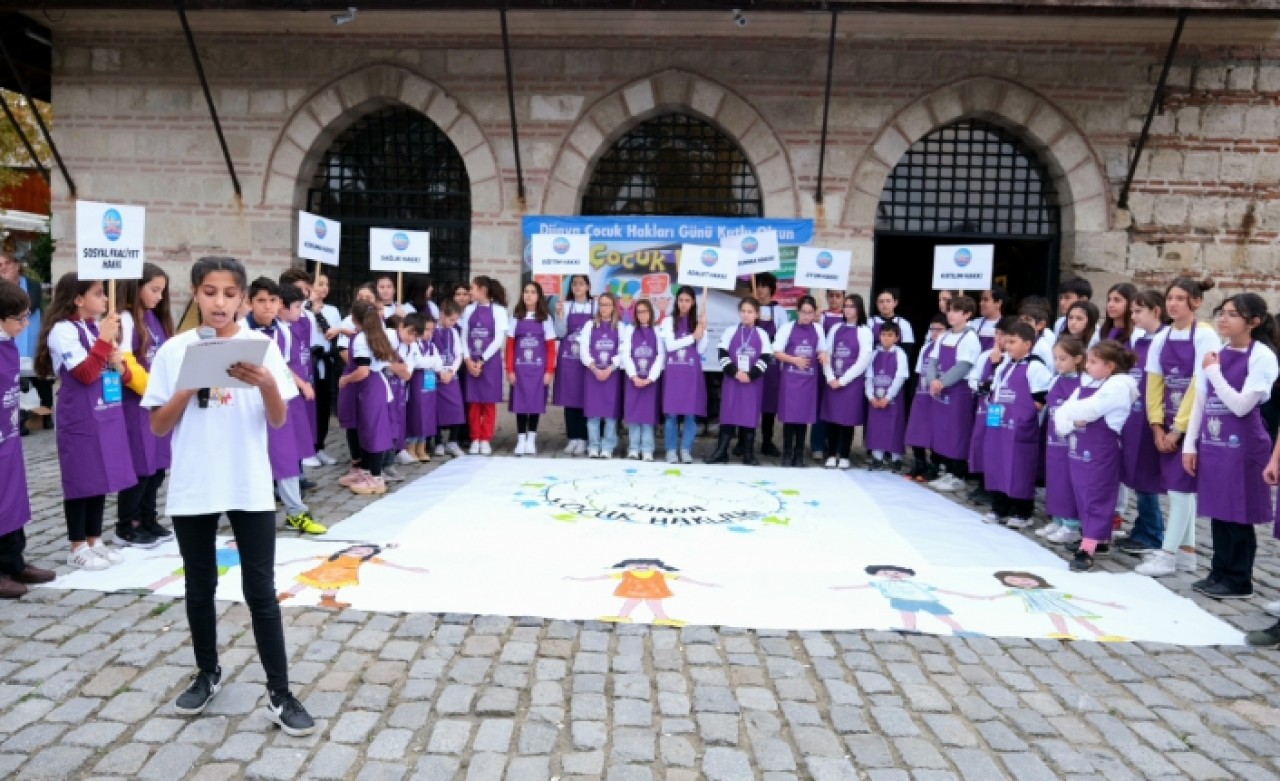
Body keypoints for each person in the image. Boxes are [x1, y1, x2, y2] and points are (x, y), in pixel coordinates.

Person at [142, 255, 315, 735]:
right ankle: (207, 672)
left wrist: (264, 387)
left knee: (260, 590)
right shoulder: (175, 350)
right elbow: (157, 427)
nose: (220, 302)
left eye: (229, 293)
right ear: (196, 294)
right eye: (210, 292)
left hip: (247, 481)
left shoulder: (263, 346)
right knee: (200, 586)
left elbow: (278, 420)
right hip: (195, 482)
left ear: (242, 297)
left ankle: (280, 693)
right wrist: (187, 387)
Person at [1182, 293, 1279, 600]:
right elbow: (1201, 399)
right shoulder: (1218, 351)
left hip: (1243, 446)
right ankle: (1218, 570)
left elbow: (1240, 405)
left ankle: (1239, 578)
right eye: (1222, 313)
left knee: (1239, 512)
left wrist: (1214, 372)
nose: (1223, 319)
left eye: (1233, 314)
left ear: (1253, 322)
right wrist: (1190, 444)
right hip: (1214, 442)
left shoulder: (1261, 356)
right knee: (1218, 510)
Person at [36, 273, 136, 570]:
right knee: (81, 477)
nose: (105, 299)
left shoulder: (93, 328)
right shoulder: (63, 331)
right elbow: (85, 373)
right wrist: (104, 341)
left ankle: (95, 538)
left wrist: (116, 357)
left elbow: (113, 371)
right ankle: (76, 544)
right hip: (80, 414)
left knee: (101, 474)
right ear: (79, 299)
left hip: (103, 409)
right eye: (98, 293)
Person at [1135, 277, 1221, 578]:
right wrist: (1157, 426)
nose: (1173, 303)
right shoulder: (1162, 337)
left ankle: (1168, 554)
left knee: (1179, 489)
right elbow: (1154, 384)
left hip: (1193, 423)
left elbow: (1201, 385)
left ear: (1195, 302)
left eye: (1180, 298)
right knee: (1178, 488)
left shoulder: (1206, 336)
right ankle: (1187, 554)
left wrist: (1179, 429)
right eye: (1170, 298)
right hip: (1167, 422)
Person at [243, 279, 324, 533]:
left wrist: (298, 386)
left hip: (279, 401)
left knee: (285, 455)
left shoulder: (284, 331)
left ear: (279, 303)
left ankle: (295, 511)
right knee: (249, 457)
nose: (267, 306)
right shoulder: (241, 331)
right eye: (261, 301)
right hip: (249, 404)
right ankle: (247, 512)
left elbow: (285, 365)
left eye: (272, 301)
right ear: (249, 302)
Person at [1053, 340, 1139, 572]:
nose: (1087, 366)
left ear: (1109, 366)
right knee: (1082, 493)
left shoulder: (1119, 386)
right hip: (1080, 446)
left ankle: (1087, 548)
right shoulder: (1090, 383)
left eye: (1093, 362)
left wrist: (1074, 414)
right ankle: (1095, 538)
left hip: (1102, 450)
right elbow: (1064, 411)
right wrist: (1070, 419)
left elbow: (1091, 409)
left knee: (1097, 496)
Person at [114, 263, 175, 548]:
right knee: (141, 465)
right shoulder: (126, 320)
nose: (159, 296)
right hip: (138, 404)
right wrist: (153, 389)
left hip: (158, 403)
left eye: (162, 291)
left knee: (158, 464)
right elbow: (126, 362)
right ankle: (129, 523)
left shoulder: (155, 318)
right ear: (136, 288)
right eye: (154, 290)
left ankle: (149, 517)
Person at [0, 281, 56, 597]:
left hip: (7, 436)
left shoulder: (7, 344)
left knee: (12, 499)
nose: (24, 325)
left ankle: (14, 559)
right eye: (19, 319)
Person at [980, 322, 1053, 529]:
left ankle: (1022, 511)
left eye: (1013, 341)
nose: (1008, 345)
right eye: (1006, 341)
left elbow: (1041, 397)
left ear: (1028, 344)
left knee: (1019, 469)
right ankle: (999, 507)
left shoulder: (1035, 367)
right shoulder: (1005, 364)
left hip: (1020, 427)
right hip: (999, 424)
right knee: (998, 465)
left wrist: (1025, 417)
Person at [1116, 290, 1167, 557]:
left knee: (1147, 476)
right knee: (1135, 473)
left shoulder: (1165, 339)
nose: (1133, 316)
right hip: (1134, 414)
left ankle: (1152, 532)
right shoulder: (1139, 339)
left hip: (1152, 415)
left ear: (1156, 311)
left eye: (1138, 311)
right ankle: (1142, 528)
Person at [338, 300, 400, 495]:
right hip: (376, 384)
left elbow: (363, 371)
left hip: (371, 386)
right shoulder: (377, 333)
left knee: (374, 432)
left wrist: (346, 379)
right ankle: (365, 471)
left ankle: (375, 477)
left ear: (355, 318)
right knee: (367, 429)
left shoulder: (361, 339)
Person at [924, 296, 982, 491]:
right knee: (943, 432)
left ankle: (958, 474)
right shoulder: (944, 336)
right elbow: (932, 360)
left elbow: (963, 366)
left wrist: (941, 382)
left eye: (957, 311)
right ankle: (947, 471)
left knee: (958, 432)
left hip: (958, 391)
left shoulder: (970, 338)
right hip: (941, 389)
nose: (951, 314)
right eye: (950, 310)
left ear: (967, 315)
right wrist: (932, 380)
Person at [707, 298, 774, 465]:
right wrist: (735, 372)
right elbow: (722, 355)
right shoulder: (730, 331)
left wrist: (751, 375)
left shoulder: (762, 334)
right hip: (733, 381)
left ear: (756, 314)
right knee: (728, 415)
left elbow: (765, 358)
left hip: (752, 383)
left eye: (749, 312)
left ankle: (748, 454)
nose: (746, 315)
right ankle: (721, 451)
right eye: (743, 311)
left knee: (749, 416)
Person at [1039, 336, 1086, 543]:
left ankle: (1072, 524)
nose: (1058, 363)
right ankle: (1057, 518)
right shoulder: (1056, 379)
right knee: (1055, 477)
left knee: (1069, 480)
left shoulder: (1083, 382)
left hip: (1072, 440)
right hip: (1054, 438)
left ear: (1077, 359)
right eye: (1056, 358)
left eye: (1063, 359)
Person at [773, 295, 827, 468]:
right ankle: (787, 453)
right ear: (797, 312)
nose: (806, 316)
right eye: (803, 312)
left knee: (803, 418)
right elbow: (776, 352)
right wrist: (795, 360)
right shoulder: (787, 328)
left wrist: (824, 354)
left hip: (809, 381)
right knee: (790, 417)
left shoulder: (818, 329)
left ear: (814, 313)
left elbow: (822, 351)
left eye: (810, 313)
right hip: (790, 379)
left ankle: (799, 454)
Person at [819, 294, 872, 469]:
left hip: (852, 383)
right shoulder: (836, 329)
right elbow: (827, 353)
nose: (848, 309)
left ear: (859, 309)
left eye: (852, 306)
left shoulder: (865, 331)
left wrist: (843, 380)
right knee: (833, 419)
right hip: (833, 379)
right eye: (846, 305)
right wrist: (831, 377)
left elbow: (863, 359)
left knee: (846, 420)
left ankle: (844, 454)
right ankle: (832, 453)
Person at [967, 316, 1013, 506]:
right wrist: (978, 385)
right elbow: (973, 376)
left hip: (999, 410)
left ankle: (994, 485)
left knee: (995, 444)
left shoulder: (1010, 359)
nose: (998, 338)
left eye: (1003, 335)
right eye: (997, 333)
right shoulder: (985, 355)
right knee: (980, 441)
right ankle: (981, 481)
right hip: (984, 406)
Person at [0, 252, 50, 427]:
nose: (3, 268)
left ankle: (45, 415)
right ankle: (22, 419)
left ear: (16, 266)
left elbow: (30, 304)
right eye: (0, 265)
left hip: (31, 340)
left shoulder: (32, 285)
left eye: (6, 264)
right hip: (11, 341)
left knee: (40, 378)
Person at [507, 282, 557, 456]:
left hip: (538, 370)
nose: (529, 295)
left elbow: (551, 347)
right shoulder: (515, 317)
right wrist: (510, 370)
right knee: (520, 404)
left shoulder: (546, 319)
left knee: (535, 404)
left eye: (533, 292)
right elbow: (510, 346)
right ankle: (521, 439)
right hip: (519, 370)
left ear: (539, 296)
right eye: (526, 292)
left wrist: (550, 370)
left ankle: (531, 439)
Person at [659, 286, 707, 464]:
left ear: (693, 302)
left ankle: (686, 449)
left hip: (691, 374)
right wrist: (693, 337)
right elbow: (670, 346)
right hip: (674, 373)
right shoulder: (668, 321)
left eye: (688, 300)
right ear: (676, 301)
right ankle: (671, 450)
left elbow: (700, 350)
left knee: (690, 414)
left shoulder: (697, 322)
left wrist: (704, 332)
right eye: (681, 300)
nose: (684, 304)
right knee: (671, 414)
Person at [461, 276, 508, 455]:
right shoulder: (469, 310)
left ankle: (486, 438)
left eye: (472, 288)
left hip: (490, 362)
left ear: (483, 290)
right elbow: (464, 337)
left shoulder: (499, 311)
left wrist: (481, 359)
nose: (470, 292)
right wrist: (468, 359)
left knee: (488, 403)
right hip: (471, 361)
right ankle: (475, 438)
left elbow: (498, 340)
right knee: (473, 403)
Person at [579, 292, 623, 459]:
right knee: (593, 413)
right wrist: (594, 367)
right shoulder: (590, 325)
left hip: (611, 374)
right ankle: (593, 445)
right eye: (602, 304)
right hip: (593, 374)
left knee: (610, 414)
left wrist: (610, 368)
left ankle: (608, 446)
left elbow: (623, 351)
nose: (604, 308)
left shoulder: (620, 327)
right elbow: (584, 349)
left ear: (613, 307)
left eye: (607, 305)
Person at [748, 272, 787, 458]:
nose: (761, 289)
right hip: (749, 362)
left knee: (769, 404)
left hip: (771, 365)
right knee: (747, 401)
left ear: (771, 289)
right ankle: (744, 441)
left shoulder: (779, 312)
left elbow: (783, 337)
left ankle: (767, 441)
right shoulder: (749, 309)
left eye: (764, 286)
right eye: (758, 285)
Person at [904, 314, 947, 482]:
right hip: (922, 393)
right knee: (916, 429)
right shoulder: (926, 347)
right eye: (933, 329)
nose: (935, 333)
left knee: (935, 431)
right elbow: (918, 370)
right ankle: (919, 461)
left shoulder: (947, 348)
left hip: (937, 394)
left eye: (940, 329)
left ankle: (935, 465)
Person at [554, 275, 594, 457]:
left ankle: (584, 438)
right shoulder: (565, 305)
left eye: (581, 284)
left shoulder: (594, 306)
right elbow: (560, 333)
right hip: (568, 358)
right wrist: (560, 316)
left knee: (586, 398)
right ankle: (572, 438)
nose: (577, 287)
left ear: (588, 287)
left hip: (587, 360)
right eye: (574, 284)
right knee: (569, 398)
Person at [304, 271, 341, 465]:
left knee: (324, 405)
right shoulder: (302, 308)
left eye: (326, 284)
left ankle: (319, 445)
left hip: (324, 361)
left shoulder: (332, 311)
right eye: (320, 283)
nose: (324, 288)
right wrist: (310, 309)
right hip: (307, 360)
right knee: (309, 404)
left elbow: (331, 334)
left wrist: (319, 315)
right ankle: (306, 448)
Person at [621, 298, 665, 461]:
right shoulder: (630, 330)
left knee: (648, 416)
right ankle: (633, 448)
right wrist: (633, 375)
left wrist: (651, 377)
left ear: (651, 313)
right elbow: (626, 353)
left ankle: (647, 449)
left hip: (650, 381)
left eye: (645, 311)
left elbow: (661, 355)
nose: (642, 315)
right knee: (633, 415)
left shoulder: (657, 330)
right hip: (634, 379)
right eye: (638, 312)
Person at [864, 320, 909, 471]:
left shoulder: (900, 354)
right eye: (883, 335)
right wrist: (870, 396)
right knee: (876, 427)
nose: (886, 338)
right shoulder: (874, 354)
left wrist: (888, 397)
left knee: (895, 427)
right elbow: (869, 376)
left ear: (897, 337)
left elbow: (900, 377)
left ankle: (896, 458)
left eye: (890, 335)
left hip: (892, 399)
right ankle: (877, 457)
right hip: (875, 398)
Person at [404, 311, 441, 461]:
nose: (429, 333)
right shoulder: (414, 344)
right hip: (416, 382)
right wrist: (431, 361)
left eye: (432, 330)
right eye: (427, 330)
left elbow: (439, 364)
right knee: (416, 414)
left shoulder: (432, 346)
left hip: (429, 384)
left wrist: (431, 361)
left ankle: (422, 445)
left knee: (427, 414)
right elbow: (418, 362)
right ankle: (411, 445)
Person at [432, 301, 467, 458]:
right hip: (436, 374)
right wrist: (440, 371)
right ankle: (438, 441)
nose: (453, 323)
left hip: (451, 375)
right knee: (436, 409)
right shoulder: (432, 331)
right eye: (451, 320)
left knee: (457, 407)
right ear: (442, 315)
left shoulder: (453, 332)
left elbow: (458, 353)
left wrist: (452, 370)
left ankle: (453, 441)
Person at [1018, 298, 1056, 367]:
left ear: (1040, 325)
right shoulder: (1017, 342)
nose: (1022, 323)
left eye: (1028, 320)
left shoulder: (1044, 349)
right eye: (1021, 320)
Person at [972, 285, 1010, 351]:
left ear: (998, 303)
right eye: (981, 300)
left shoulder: (1009, 325)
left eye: (986, 300)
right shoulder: (973, 324)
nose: (981, 303)